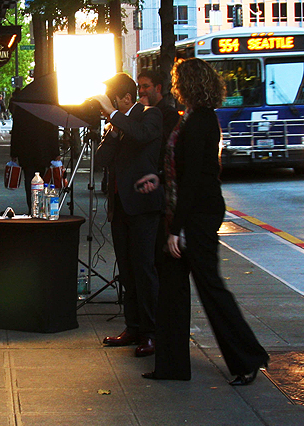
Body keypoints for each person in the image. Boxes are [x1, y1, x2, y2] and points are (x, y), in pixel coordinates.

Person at [136, 58, 269, 385]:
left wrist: (176, 230)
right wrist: (160, 178)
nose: (175, 86)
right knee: (172, 290)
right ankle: (172, 366)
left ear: (190, 84)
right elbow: (184, 169)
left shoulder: (199, 122)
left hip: (197, 217)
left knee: (210, 288)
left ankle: (248, 358)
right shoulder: (194, 118)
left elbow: (194, 179)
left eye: (179, 80)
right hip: (190, 212)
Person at [93, 72, 164, 358]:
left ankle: (151, 332)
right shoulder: (117, 124)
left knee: (144, 269)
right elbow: (101, 160)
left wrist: (114, 116)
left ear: (125, 98)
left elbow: (141, 135)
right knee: (127, 270)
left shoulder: (150, 115)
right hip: (120, 207)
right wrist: (110, 130)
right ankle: (133, 326)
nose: (106, 108)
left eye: (111, 102)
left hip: (143, 205)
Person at [9, 74, 60, 213]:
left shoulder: (22, 107)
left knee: (29, 179)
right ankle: (40, 206)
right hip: (43, 149)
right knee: (42, 178)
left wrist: (14, 152)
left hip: (25, 149)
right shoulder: (46, 106)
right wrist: (55, 152)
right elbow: (53, 131)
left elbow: (16, 130)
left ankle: (32, 206)